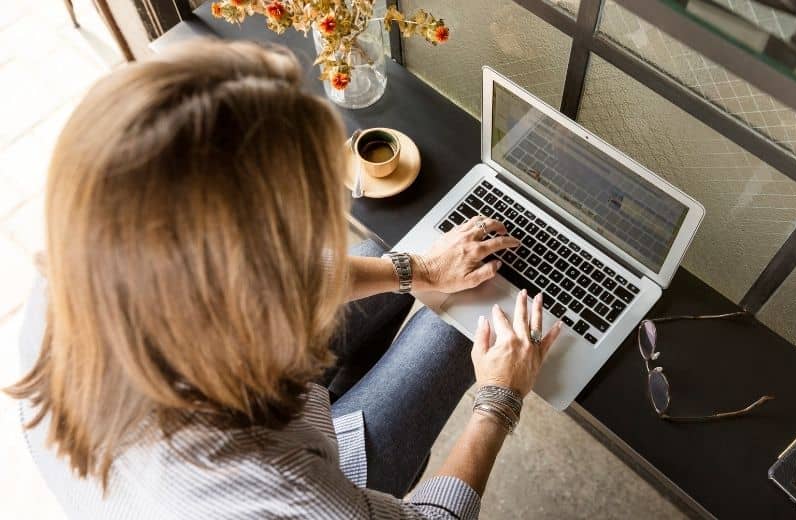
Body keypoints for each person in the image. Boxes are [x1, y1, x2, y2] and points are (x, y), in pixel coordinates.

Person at [5, 39, 563, 519]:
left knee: (393, 258)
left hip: (254, 406)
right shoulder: (274, 493)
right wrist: (499, 399)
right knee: (459, 330)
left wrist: (418, 268)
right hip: (317, 466)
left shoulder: (86, 254)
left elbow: (286, 274)